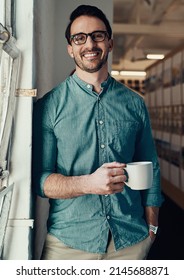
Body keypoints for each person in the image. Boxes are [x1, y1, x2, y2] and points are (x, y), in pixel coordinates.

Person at [32, 4, 163, 260]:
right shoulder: (49, 107)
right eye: (79, 38)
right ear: (70, 47)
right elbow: (40, 180)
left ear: (110, 42)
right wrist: (88, 183)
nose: (89, 44)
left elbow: (151, 165)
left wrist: (152, 225)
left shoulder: (134, 103)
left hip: (131, 241)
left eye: (98, 35)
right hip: (68, 245)